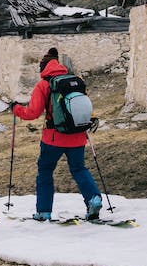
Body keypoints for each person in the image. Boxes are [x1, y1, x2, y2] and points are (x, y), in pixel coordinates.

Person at [12, 47, 101, 221]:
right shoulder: (76, 81)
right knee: (79, 169)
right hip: (78, 136)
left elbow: (33, 112)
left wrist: (16, 109)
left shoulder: (43, 85)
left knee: (45, 171)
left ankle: (44, 211)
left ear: (43, 68)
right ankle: (94, 199)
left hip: (54, 138)